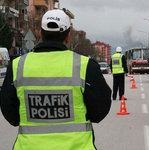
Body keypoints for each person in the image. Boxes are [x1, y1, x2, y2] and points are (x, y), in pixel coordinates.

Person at [0, 9, 111, 150]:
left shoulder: (17, 66)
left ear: (41, 34)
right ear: (68, 37)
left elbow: (10, 113)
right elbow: (100, 111)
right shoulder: (84, 66)